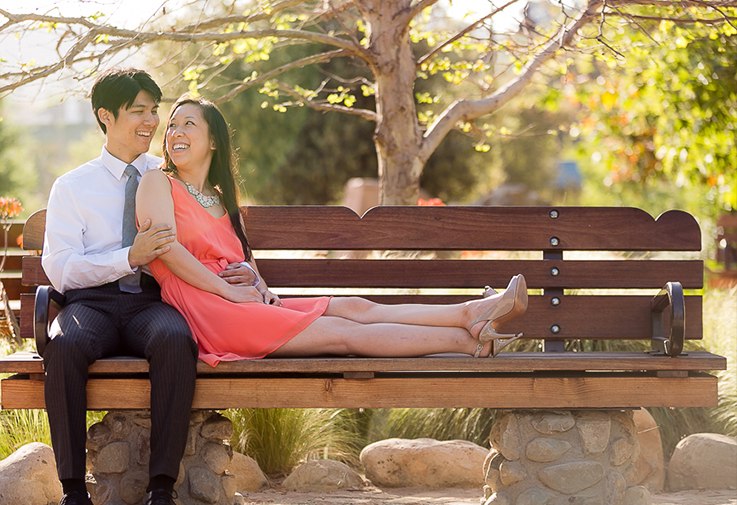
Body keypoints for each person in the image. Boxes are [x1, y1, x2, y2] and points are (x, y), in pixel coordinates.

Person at [134, 97, 528, 367]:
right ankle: (466, 340)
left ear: (214, 141)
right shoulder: (157, 182)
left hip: (242, 301)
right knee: (342, 333)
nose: (175, 132)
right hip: (208, 311)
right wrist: (228, 290)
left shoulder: (218, 198)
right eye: (172, 125)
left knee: (355, 307)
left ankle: (471, 314)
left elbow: (241, 257)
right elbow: (166, 249)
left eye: (188, 123)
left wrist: (256, 281)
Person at [40, 70, 257, 505]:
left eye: (153, 110)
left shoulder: (168, 178)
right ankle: (74, 494)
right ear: (106, 116)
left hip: (153, 302)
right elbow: (60, 269)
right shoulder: (72, 187)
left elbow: (217, 234)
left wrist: (248, 275)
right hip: (92, 304)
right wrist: (127, 257)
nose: (151, 120)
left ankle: (162, 491)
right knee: (63, 346)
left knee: (177, 340)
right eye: (139, 110)